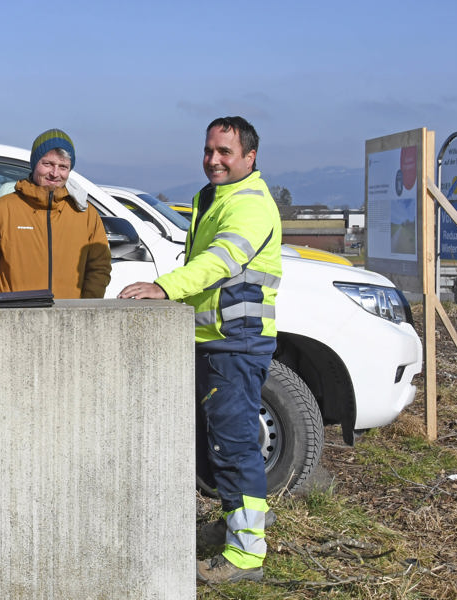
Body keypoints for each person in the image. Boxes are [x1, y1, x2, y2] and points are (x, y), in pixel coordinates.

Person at [118, 116, 282, 584]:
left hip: (237, 342)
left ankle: (247, 557)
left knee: (234, 446)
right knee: (218, 445)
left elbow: (219, 262)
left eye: (225, 153)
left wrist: (163, 288)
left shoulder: (250, 204)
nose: (213, 160)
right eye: (209, 150)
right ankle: (238, 524)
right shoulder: (212, 196)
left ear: (250, 157)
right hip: (212, 341)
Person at [0, 129, 111, 299]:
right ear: (34, 164)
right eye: (47, 164)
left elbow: (100, 267)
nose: (55, 173)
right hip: (15, 319)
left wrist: (84, 309)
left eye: (63, 167)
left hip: (70, 320)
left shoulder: (87, 215)